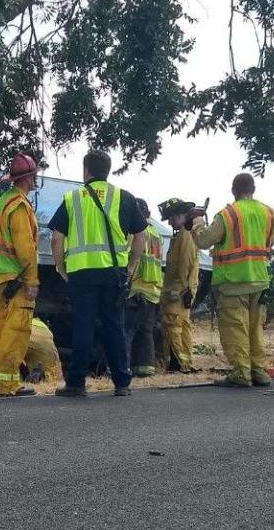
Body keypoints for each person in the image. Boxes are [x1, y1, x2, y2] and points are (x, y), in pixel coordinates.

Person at [48, 149, 148, 398]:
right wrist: (132, 266)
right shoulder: (123, 197)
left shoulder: (72, 198)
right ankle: (121, 383)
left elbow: (57, 238)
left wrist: (61, 267)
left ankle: (76, 383)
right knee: (114, 325)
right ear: (108, 170)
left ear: (86, 171)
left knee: (83, 326)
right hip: (114, 273)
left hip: (81, 273)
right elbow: (141, 236)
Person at [193, 173, 274, 387]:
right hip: (259, 278)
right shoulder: (269, 213)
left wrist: (197, 223)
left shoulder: (228, 214)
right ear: (253, 188)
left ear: (233, 190)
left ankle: (241, 372)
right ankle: (259, 371)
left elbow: (204, 240)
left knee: (235, 327)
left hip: (233, 281)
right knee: (254, 328)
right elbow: (270, 240)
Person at [0, 153, 41, 397]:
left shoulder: (2, 202)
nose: (36, 180)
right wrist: (32, 281)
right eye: (35, 175)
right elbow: (26, 248)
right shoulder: (19, 206)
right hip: (17, 277)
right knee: (16, 330)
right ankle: (8, 384)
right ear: (28, 179)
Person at [158, 198, 201, 372]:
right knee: (180, 327)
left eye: (173, 217)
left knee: (174, 327)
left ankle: (179, 364)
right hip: (177, 290)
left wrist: (179, 289)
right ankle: (182, 363)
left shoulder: (185, 235)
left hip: (178, 292)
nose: (170, 222)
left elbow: (185, 263)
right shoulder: (180, 236)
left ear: (183, 215)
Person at [124, 198, 164, 377]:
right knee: (146, 331)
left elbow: (128, 254)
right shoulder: (157, 234)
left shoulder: (135, 231)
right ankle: (145, 368)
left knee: (126, 330)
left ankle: (122, 367)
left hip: (136, 288)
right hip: (153, 290)